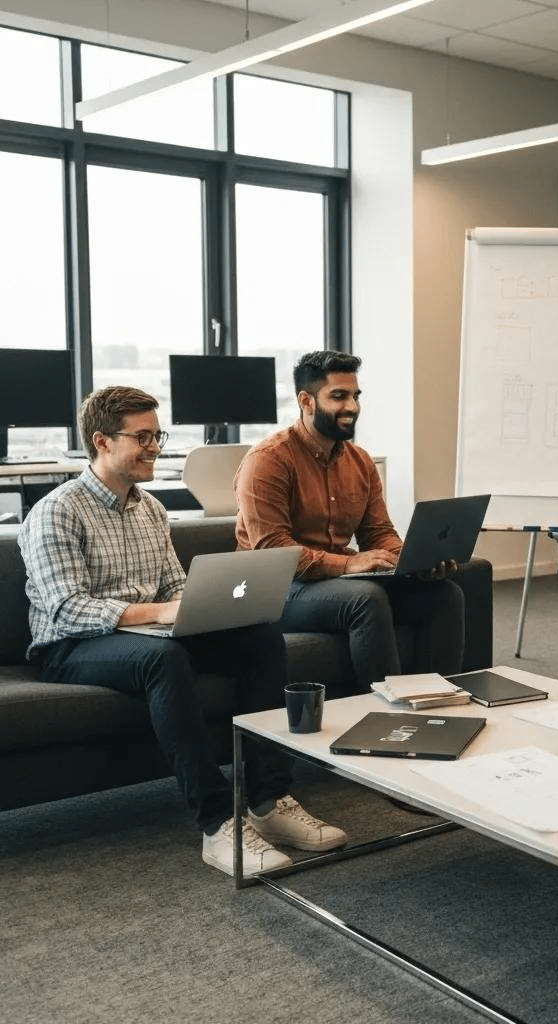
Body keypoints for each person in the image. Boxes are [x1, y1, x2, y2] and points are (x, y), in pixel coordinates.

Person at [18, 386, 347, 878]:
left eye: (158, 435)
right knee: (164, 660)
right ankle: (218, 824)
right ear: (103, 441)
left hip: (144, 633)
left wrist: (202, 607)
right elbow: (66, 609)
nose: (156, 447)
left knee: (259, 638)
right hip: (72, 646)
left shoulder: (150, 508)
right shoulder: (57, 511)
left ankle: (269, 799)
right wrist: (157, 613)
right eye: (143, 437)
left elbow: (174, 584)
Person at [234, 351, 464, 691]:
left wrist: (410, 561)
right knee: (364, 599)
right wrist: (348, 564)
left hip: (332, 582)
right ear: (306, 401)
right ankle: (390, 717)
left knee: (445, 594)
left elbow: (378, 532)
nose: (352, 406)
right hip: (272, 589)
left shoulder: (360, 461)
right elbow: (273, 552)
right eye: (339, 396)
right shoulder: (268, 461)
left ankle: (436, 703)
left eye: (356, 396)